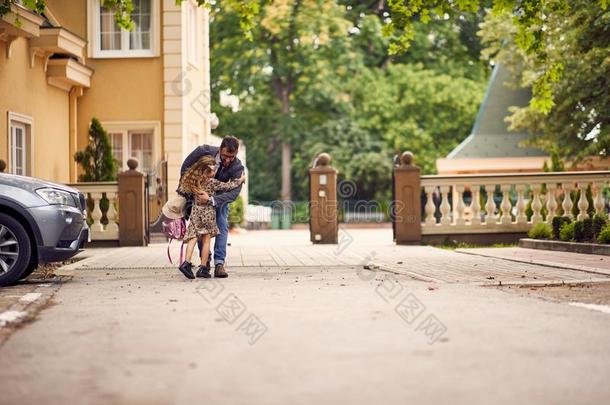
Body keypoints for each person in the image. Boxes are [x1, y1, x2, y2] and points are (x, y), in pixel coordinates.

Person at [179, 136, 244, 278]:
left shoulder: (238, 167)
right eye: (225, 156)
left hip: (218, 200)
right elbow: (185, 168)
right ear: (220, 149)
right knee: (201, 233)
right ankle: (205, 263)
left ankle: (219, 264)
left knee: (221, 226)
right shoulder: (203, 152)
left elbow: (233, 193)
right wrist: (190, 190)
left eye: (232, 157)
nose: (228, 160)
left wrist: (211, 199)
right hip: (197, 199)